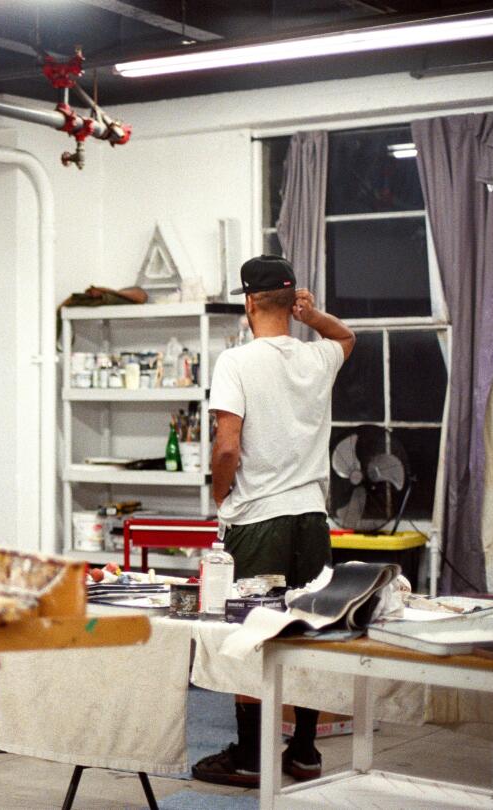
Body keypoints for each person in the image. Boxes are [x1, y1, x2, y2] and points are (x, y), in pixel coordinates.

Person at [191, 254, 355, 788]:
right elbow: (347, 337)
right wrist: (315, 317)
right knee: (305, 631)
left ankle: (251, 754)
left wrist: (221, 497)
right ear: (292, 301)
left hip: (258, 516)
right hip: (311, 518)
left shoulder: (236, 362)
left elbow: (227, 447)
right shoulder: (317, 357)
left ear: (248, 302)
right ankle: (304, 751)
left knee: (248, 633)